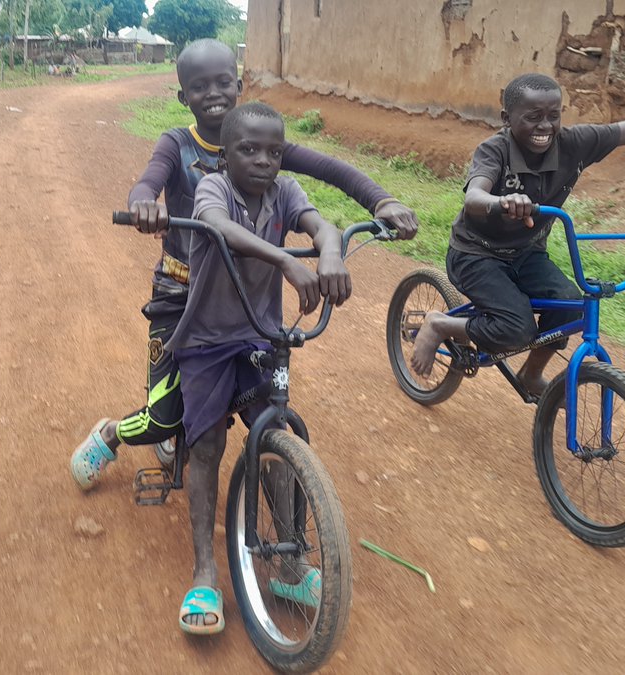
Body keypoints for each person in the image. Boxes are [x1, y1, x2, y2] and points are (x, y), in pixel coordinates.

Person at [70, 38, 418, 489]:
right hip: (181, 298)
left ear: (239, 85)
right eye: (199, 87)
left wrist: (383, 200)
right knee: (163, 417)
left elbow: (333, 169)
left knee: (262, 397)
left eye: (221, 83)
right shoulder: (177, 144)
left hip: (243, 302)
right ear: (183, 97)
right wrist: (143, 205)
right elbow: (147, 183)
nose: (212, 93)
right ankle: (112, 434)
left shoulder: (259, 142)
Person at [409, 73, 625, 391]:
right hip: (476, 254)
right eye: (533, 117)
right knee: (516, 328)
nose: (545, 126)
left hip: (527, 253)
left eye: (554, 115)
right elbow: (474, 198)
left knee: (568, 306)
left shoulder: (575, 144)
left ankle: (531, 374)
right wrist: (502, 200)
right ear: (507, 118)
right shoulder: (495, 150)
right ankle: (440, 324)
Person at [162, 101, 350, 634]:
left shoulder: (285, 193)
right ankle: (205, 570)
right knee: (207, 448)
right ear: (226, 156)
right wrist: (286, 257)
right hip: (205, 342)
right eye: (248, 149)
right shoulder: (212, 189)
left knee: (279, 432)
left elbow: (322, 224)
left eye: (274, 151)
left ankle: (290, 564)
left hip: (259, 334)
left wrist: (329, 251)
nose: (264, 160)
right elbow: (218, 228)